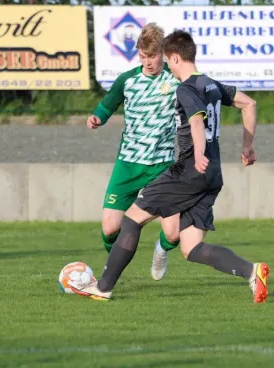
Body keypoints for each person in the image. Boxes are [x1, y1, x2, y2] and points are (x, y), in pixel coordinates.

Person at [71, 29, 270, 303]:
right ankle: (252, 271)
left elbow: (197, 121)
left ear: (174, 58)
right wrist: (247, 146)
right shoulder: (210, 84)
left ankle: (103, 287)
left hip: (188, 171)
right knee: (192, 248)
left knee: (131, 220)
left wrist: (198, 154)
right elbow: (249, 104)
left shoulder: (186, 88)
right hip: (213, 175)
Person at [87, 23, 181, 281]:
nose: (148, 62)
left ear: (162, 53)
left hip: (162, 167)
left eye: (152, 56)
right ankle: (114, 264)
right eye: (143, 56)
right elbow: (107, 106)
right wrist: (97, 118)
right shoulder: (127, 80)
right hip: (128, 164)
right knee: (109, 228)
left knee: (173, 234)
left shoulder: (175, 80)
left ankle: (161, 250)